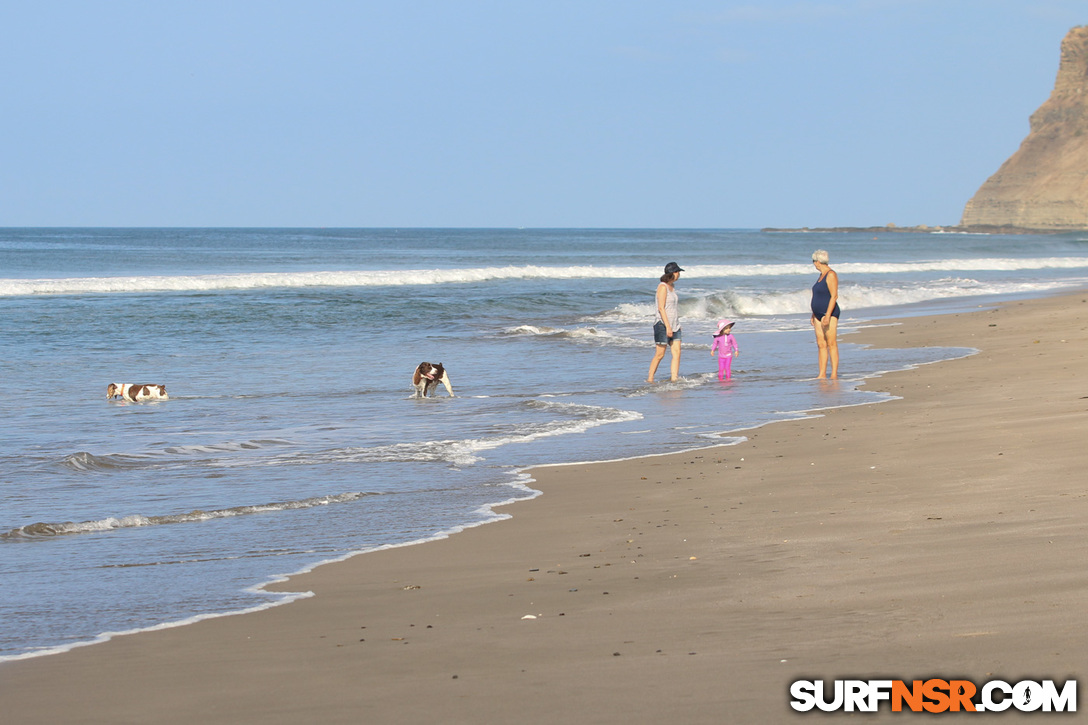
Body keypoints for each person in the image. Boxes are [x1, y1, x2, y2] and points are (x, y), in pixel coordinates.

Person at [647, 261, 683, 382]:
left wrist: (677, 324)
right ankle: (650, 378)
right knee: (660, 354)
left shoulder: (672, 287)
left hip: (675, 325)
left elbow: (673, 308)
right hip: (662, 324)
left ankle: (674, 378)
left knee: (677, 352)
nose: (679, 274)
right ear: (673, 273)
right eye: (678, 272)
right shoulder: (662, 287)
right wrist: (668, 326)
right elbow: (661, 308)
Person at [810, 249, 840, 379]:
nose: (814, 264)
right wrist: (813, 314)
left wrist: (827, 315)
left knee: (831, 343)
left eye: (813, 261)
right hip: (817, 314)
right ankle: (822, 373)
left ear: (818, 262)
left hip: (829, 313)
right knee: (821, 344)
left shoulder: (831, 274)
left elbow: (834, 296)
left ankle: (833, 374)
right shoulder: (820, 276)